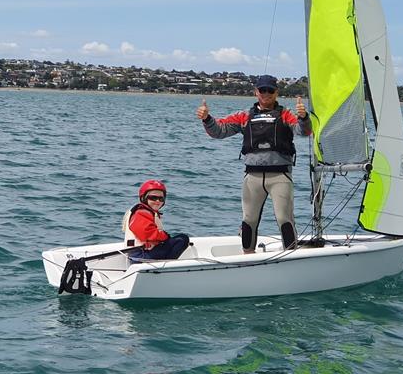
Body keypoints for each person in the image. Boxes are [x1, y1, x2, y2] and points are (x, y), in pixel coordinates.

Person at [195, 74, 312, 252]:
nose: (266, 93)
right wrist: (206, 119)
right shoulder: (244, 116)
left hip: (280, 176)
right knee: (249, 219)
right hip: (252, 177)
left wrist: (303, 117)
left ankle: (290, 255)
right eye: (262, 90)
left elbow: (303, 131)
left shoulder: (286, 114)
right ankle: (247, 256)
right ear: (256, 92)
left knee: (284, 218)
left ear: (276, 92)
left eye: (270, 90)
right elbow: (219, 131)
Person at [121, 179, 190, 260]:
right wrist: (165, 236)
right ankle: (165, 266)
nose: (157, 201)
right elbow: (148, 234)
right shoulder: (141, 213)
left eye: (161, 199)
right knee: (182, 239)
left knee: (177, 238)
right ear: (143, 198)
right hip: (141, 255)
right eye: (153, 198)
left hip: (141, 253)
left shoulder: (146, 212)